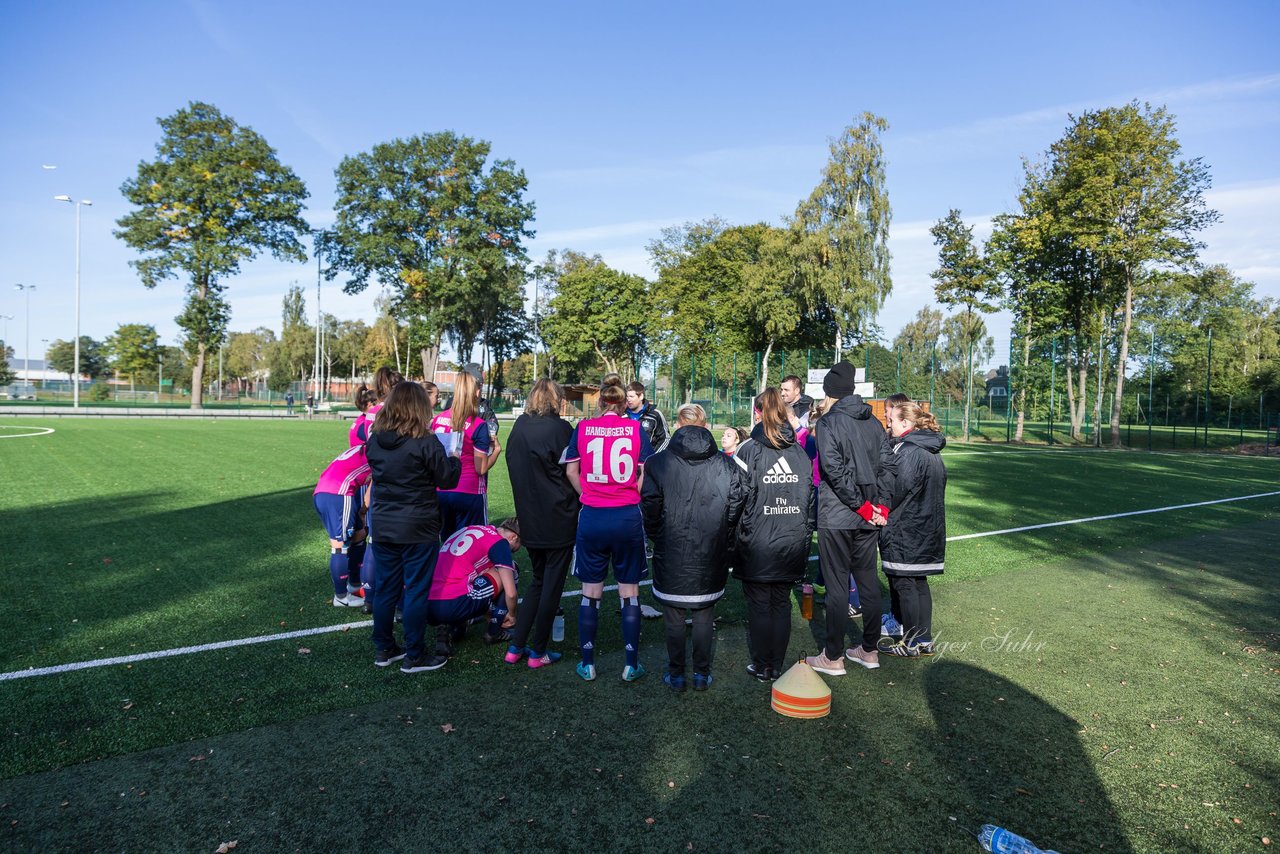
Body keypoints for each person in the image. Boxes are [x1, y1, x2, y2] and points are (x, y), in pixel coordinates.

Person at [641, 404, 745, 692]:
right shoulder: (726, 464)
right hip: (709, 547)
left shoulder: (658, 463)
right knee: (703, 613)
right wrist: (723, 532)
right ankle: (699, 673)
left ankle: (678, 675)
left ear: (677, 423)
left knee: (675, 614)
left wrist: (657, 535)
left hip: (673, 547)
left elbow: (649, 506)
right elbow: (737, 503)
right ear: (705, 423)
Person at [364, 382, 462, 673]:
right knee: (416, 591)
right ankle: (414, 654)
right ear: (419, 407)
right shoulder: (426, 441)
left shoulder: (375, 440)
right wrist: (454, 460)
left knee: (386, 590)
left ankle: (384, 648)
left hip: (384, 523)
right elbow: (447, 479)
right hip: (418, 525)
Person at [564, 376, 655, 682]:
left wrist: (586, 494)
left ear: (601, 401)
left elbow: (571, 470)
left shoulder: (584, 428)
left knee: (590, 592)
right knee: (629, 591)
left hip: (593, 515)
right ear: (623, 403)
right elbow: (646, 470)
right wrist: (632, 492)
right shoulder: (636, 429)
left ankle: (587, 663)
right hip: (627, 515)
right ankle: (631, 664)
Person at [806, 362, 890, 676]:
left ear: (829, 392)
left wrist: (869, 507)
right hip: (866, 514)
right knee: (867, 580)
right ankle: (869, 650)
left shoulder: (829, 424)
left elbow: (834, 472)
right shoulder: (874, 423)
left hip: (840, 515)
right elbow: (888, 469)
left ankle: (833, 655)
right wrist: (880, 506)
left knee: (839, 585)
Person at [732, 388, 815, 682]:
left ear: (758, 413)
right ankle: (774, 665)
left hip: (757, 540)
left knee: (760, 604)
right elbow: (809, 496)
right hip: (791, 539)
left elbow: (734, 497)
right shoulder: (799, 451)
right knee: (779, 603)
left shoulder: (749, 449)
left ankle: (763, 664)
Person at [503, 379, 580, 669]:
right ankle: (537, 651)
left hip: (530, 517)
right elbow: (574, 469)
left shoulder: (520, 426)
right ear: (556, 399)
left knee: (538, 581)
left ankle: (517, 645)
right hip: (558, 516)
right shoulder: (560, 429)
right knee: (551, 587)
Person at [878, 401, 946, 657]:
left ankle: (911, 643)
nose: (888, 424)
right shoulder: (931, 450)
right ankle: (924, 639)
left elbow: (896, 489)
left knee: (906, 584)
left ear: (906, 423)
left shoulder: (908, 451)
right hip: (928, 526)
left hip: (907, 529)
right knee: (919, 583)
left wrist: (879, 505)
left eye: (892, 420)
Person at [428, 519, 522, 655]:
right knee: (512, 569)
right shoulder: (500, 542)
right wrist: (512, 615)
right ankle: (494, 632)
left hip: (427, 604)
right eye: (519, 544)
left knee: (476, 576)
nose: (517, 550)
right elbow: (511, 593)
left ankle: (454, 624)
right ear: (514, 537)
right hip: (452, 602)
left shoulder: (472, 529)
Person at [431, 370, 502, 538]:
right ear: (477, 392)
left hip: (441, 490)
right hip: (468, 491)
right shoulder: (478, 425)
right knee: (473, 543)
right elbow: (481, 468)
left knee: (447, 544)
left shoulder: (438, 419)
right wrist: (496, 451)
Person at [312, 444, 370, 607]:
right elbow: (371, 491)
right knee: (340, 545)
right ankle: (341, 597)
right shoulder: (380, 452)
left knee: (359, 535)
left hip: (325, 491)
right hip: (338, 494)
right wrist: (364, 511)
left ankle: (355, 584)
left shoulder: (363, 448)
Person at [625, 381, 669, 451]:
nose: (628, 399)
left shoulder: (655, 415)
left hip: (648, 460)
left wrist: (653, 458)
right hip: (626, 460)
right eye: (626, 397)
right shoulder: (621, 415)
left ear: (641, 396)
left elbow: (666, 439)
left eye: (631, 396)